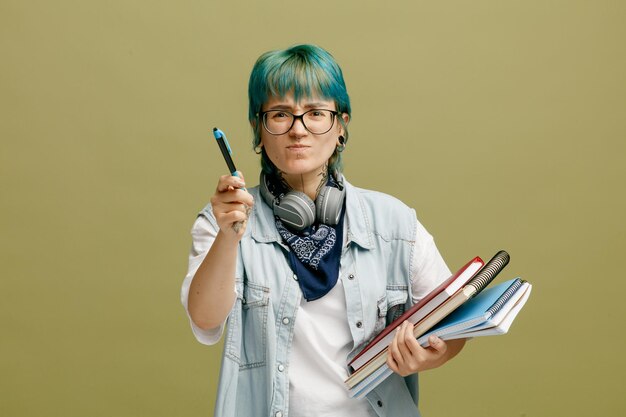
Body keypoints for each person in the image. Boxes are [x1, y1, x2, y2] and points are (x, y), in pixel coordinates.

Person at [181, 44, 466, 417]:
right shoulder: (224, 219)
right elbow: (204, 319)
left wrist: (428, 359)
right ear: (258, 128)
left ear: (341, 125)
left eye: (316, 113)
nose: (298, 130)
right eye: (281, 114)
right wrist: (230, 235)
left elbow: (455, 327)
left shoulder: (395, 224)